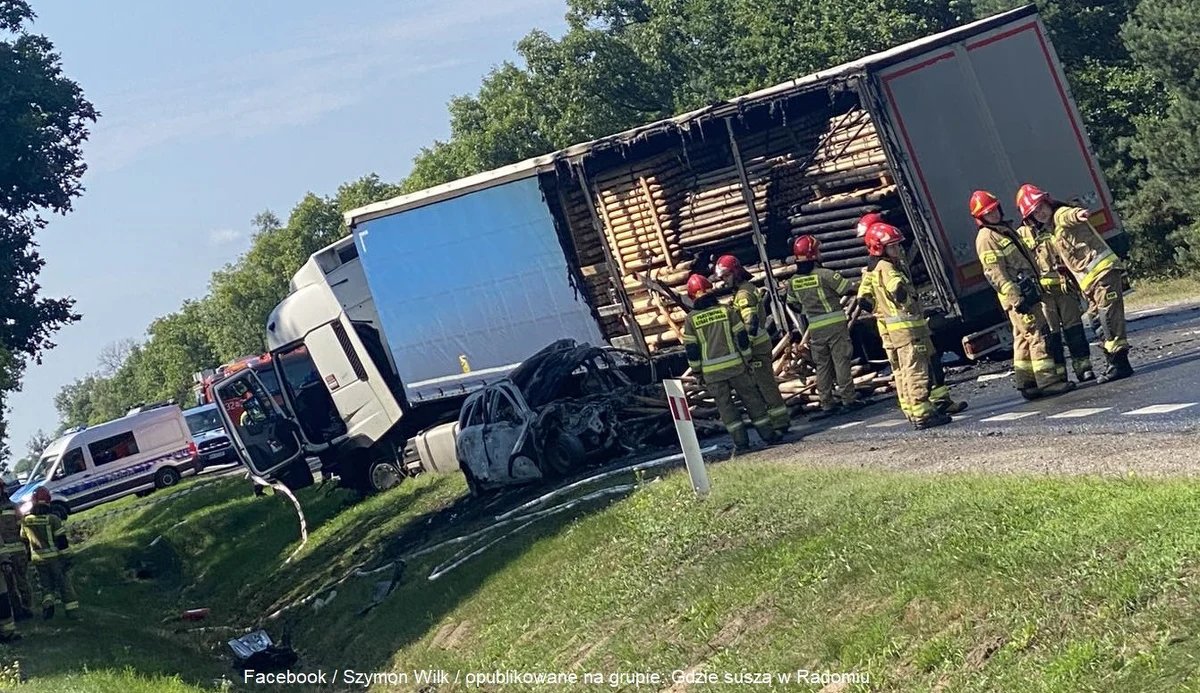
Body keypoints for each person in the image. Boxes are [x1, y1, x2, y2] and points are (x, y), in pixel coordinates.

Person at [1017, 184, 1132, 383]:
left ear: (1048, 203)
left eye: (1041, 207)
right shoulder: (1050, 229)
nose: (1041, 213)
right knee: (1096, 320)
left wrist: (1078, 214)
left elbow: (1069, 215)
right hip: (1090, 282)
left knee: (1109, 320)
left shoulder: (1061, 215)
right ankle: (1114, 361)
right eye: (1035, 213)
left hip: (1103, 274)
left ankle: (1119, 364)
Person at [970, 190, 1076, 399]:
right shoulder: (987, 237)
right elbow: (995, 273)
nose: (993, 215)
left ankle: (1027, 382)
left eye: (994, 210)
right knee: (1038, 334)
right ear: (980, 218)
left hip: (1027, 291)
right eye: (988, 213)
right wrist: (1016, 298)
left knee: (1023, 338)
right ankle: (1048, 381)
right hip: (1019, 296)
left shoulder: (1003, 229)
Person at [856, 223, 954, 429]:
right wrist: (909, 304)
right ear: (879, 248)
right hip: (908, 329)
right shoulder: (888, 267)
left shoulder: (873, 269)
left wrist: (881, 309)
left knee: (904, 370)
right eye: (893, 247)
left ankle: (913, 409)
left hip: (895, 329)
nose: (898, 250)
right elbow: (898, 291)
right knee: (917, 370)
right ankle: (923, 413)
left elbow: (865, 300)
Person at [682, 274, 782, 451]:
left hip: (712, 374)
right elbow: (742, 337)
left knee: (726, 408)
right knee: (753, 400)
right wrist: (747, 358)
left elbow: (692, 349)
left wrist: (697, 372)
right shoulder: (726, 311)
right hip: (737, 367)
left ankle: (741, 443)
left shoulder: (691, 319)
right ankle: (769, 435)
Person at [713, 255, 790, 436]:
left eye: (725, 276)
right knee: (762, 385)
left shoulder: (744, 294)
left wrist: (744, 349)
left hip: (756, 348)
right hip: (756, 347)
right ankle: (777, 421)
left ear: (735, 272)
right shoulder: (743, 290)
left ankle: (780, 422)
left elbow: (751, 323)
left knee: (766, 385)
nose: (723, 281)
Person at [1016, 209, 1096, 383]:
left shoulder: (1053, 226)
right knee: (1052, 335)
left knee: (1074, 328)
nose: (1039, 215)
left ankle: (1084, 367)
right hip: (1043, 296)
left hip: (1064, 288)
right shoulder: (1021, 234)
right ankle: (1060, 373)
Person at [785, 235, 860, 416]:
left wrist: (807, 309)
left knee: (822, 365)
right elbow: (848, 289)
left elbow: (791, 303)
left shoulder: (793, 281)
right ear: (813, 254)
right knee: (841, 361)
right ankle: (848, 399)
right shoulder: (825, 275)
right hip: (835, 325)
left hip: (815, 328)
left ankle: (826, 402)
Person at [21, 487, 78, 620]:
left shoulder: (26, 520)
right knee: (64, 585)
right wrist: (67, 557)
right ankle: (72, 613)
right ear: (48, 501)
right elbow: (62, 541)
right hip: (55, 558)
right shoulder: (53, 519)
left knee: (46, 586)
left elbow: (24, 540)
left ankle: (48, 605)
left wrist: (28, 558)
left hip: (38, 559)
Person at [0, 482, 33, 622]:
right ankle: (23, 610)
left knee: (14, 585)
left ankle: (21, 610)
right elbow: (24, 528)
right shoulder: (14, 506)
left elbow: (23, 528)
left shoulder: (13, 506)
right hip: (15, 552)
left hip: (6, 554)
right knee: (19, 583)